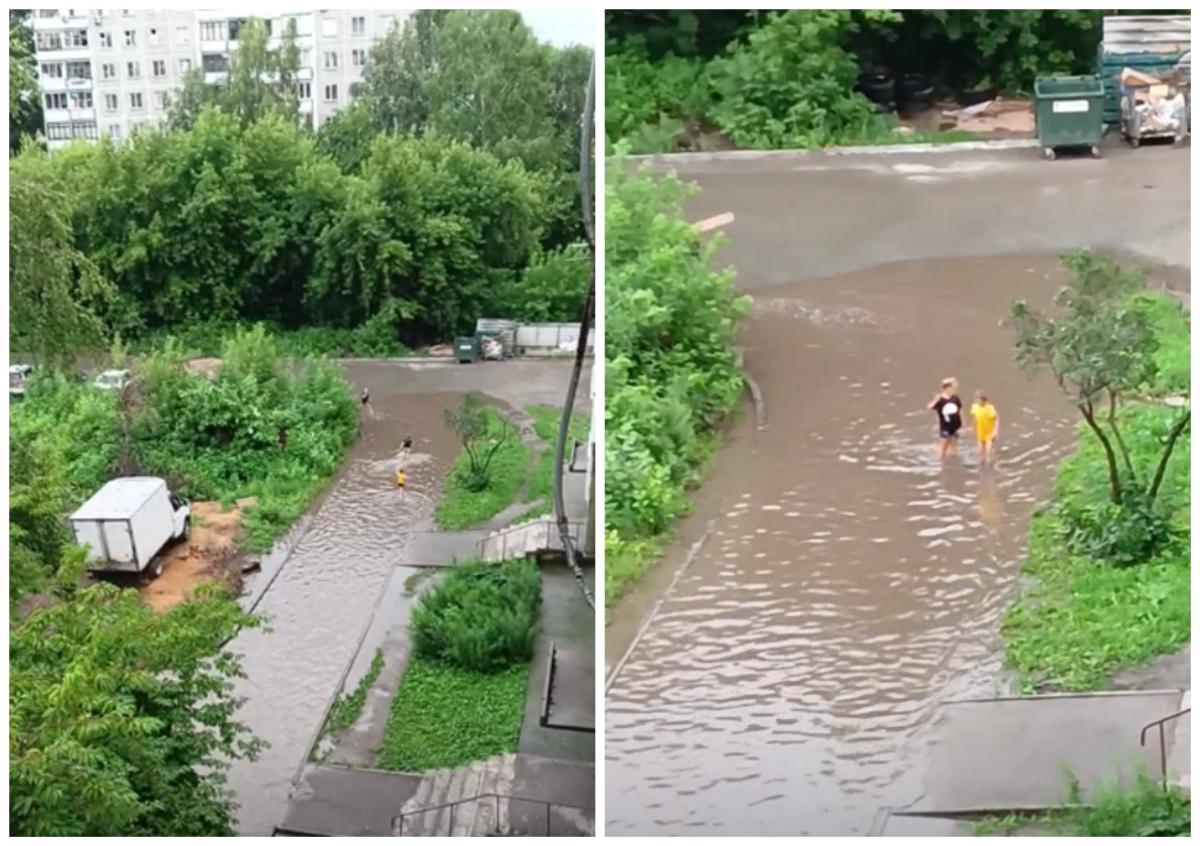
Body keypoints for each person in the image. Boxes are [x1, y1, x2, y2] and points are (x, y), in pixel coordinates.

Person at [927, 377, 964, 459]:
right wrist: (936, 400)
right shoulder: (940, 399)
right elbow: (929, 407)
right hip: (945, 426)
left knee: (954, 443)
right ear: (948, 388)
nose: (955, 389)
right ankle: (939, 459)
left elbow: (960, 410)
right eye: (954, 387)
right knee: (944, 443)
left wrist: (963, 422)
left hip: (955, 425)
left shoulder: (955, 398)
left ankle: (951, 460)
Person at [970, 391, 1000, 466]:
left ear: (984, 400)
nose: (976, 401)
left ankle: (990, 465)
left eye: (978, 399)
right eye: (976, 399)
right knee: (979, 452)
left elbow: (996, 419)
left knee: (987, 452)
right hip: (980, 432)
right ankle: (980, 465)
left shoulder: (990, 408)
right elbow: (974, 417)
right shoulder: (975, 407)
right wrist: (972, 427)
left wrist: (995, 431)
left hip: (989, 433)